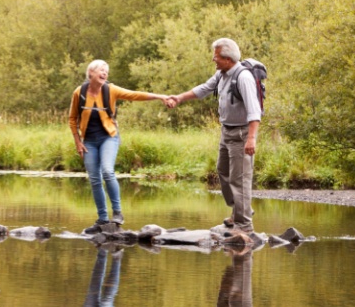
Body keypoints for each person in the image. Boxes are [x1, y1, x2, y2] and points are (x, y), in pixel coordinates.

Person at [165, 38, 261, 235]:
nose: (213, 59)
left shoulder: (243, 78)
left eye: (216, 56)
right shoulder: (222, 74)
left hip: (242, 133)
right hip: (226, 131)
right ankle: (239, 211)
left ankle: (244, 225)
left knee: (239, 178)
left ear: (228, 58)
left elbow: (254, 111)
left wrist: (251, 139)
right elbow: (204, 89)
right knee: (223, 171)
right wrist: (180, 98)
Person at [69, 59, 170, 234]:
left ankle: (117, 213)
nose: (105, 73)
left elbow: (135, 95)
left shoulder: (111, 90)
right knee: (94, 179)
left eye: (106, 71)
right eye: (101, 70)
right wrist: (78, 141)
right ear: (91, 73)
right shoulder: (80, 92)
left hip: (109, 137)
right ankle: (102, 219)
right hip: (89, 142)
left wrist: (160, 96)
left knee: (107, 171)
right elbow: (72, 119)